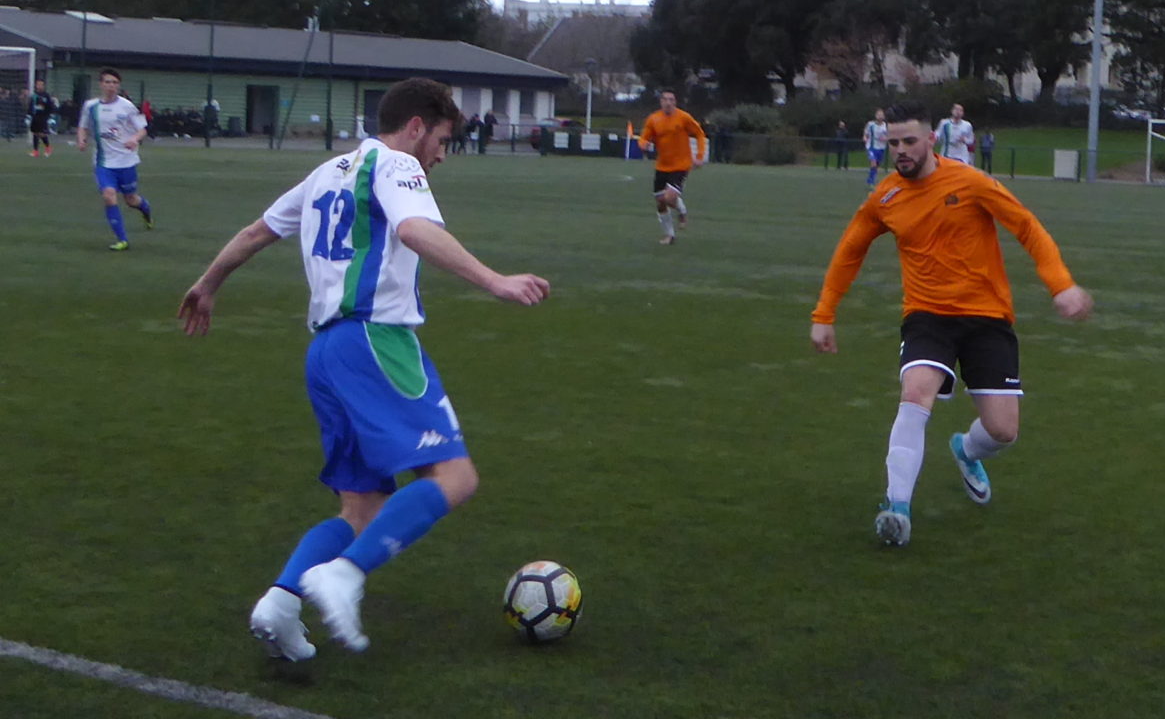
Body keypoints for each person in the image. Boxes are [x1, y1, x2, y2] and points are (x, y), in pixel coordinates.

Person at [178, 78, 549, 660]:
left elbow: (257, 233)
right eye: (444, 139)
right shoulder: (398, 164)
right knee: (456, 478)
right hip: (377, 340)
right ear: (416, 128)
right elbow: (414, 229)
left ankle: (280, 600)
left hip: (324, 354)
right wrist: (495, 280)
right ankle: (343, 575)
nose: (443, 154)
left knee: (360, 509)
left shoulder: (327, 172)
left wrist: (207, 283)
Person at [809, 100, 1093, 547]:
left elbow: (1027, 227)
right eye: (893, 143)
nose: (899, 150)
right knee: (916, 392)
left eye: (908, 141)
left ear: (931, 140)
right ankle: (896, 507)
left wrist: (1061, 285)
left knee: (1003, 431)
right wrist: (824, 314)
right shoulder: (884, 197)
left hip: (987, 317)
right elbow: (850, 250)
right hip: (927, 316)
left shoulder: (970, 182)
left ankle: (965, 449)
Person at [77, 68, 153, 251]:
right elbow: (83, 126)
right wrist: (81, 139)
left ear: (118, 85)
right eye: (108, 82)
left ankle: (145, 209)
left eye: (115, 83)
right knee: (109, 196)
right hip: (104, 163)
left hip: (126, 161)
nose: (111, 86)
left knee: (131, 199)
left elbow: (143, 128)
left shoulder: (127, 106)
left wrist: (135, 138)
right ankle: (122, 240)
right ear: (101, 84)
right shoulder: (91, 106)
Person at [637, 89, 707, 245]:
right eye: (665, 100)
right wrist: (644, 145)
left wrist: (700, 156)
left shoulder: (684, 118)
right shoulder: (653, 119)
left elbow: (700, 134)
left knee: (669, 198)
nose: (668, 102)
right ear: (661, 102)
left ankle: (682, 212)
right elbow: (643, 138)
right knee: (661, 202)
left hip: (681, 165)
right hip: (662, 166)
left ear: (675, 102)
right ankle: (670, 235)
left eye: (671, 100)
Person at [27, 78, 56, 158]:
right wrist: (29, 115)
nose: (39, 86)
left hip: (43, 116)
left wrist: (50, 115)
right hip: (35, 116)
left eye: (41, 84)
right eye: (38, 84)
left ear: (43, 86)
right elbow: (31, 105)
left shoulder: (46, 95)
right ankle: (35, 151)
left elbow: (50, 106)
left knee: (42, 134)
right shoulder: (34, 95)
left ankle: (48, 148)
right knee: (35, 133)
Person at [862, 108, 888, 186]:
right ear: (875, 115)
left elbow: (890, 136)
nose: (880, 116)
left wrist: (885, 138)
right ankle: (871, 182)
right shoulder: (870, 124)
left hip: (881, 148)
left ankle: (870, 179)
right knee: (873, 164)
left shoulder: (885, 126)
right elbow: (865, 133)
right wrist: (865, 138)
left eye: (881, 115)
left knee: (876, 165)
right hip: (871, 147)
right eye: (878, 114)